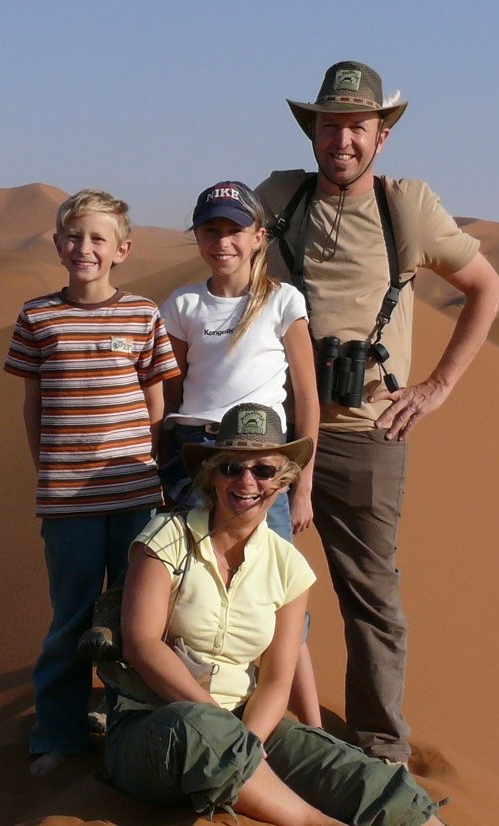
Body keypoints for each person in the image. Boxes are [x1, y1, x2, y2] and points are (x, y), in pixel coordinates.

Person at [256, 60, 499, 765]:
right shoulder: (276, 197)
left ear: (381, 135)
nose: (343, 139)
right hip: (273, 434)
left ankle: (377, 750)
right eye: (331, 125)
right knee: (256, 584)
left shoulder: (409, 208)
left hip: (369, 433)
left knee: (370, 598)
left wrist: (437, 387)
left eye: (357, 126)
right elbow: (216, 247)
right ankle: (262, 728)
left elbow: (486, 289)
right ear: (314, 131)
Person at [105, 403, 445, 826]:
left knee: (361, 776)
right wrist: (229, 736)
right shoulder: (166, 538)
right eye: (230, 467)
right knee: (198, 731)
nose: (246, 481)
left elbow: (276, 679)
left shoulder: (289, 568)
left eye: (263, 470)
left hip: (248, 728)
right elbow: (141, 645)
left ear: (284, 481)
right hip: (154, 730)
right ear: (211, 473)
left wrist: (249, 739)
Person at [4, 189, 180, 776]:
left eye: (98, 239)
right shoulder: (37, 317)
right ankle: (57, 734)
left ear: (122, 250)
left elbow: (158, 407)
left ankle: (131, 722)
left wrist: (152, 474)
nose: (85, 248)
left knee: (137, 621)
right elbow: (32, 408)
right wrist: (49, 475)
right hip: (68, 502)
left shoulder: (143, 314)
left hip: (135, 497)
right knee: (72, 620)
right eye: (74, 237)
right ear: (57, 245)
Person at [157, 179, 324, 727]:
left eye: (234, 229)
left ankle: (311, 729)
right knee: (187, 585)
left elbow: (306, 395)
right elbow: (172, 391)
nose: (222, 241)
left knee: (279, 598)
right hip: (198, 455)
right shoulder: (182, 304)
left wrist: (302, 484)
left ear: (258, 236)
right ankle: (192, 711)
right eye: (210, 230)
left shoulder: (282, 300)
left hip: (263, 462)